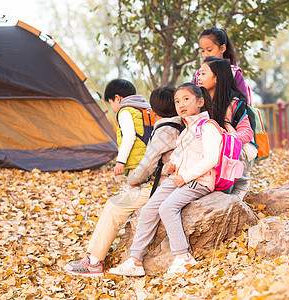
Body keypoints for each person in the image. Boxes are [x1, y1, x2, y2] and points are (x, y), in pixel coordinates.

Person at [63, 85, 183, 277]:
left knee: (114, 206)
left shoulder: (165, 131)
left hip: (159, 186)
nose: (148, 112)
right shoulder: (178, 126)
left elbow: (147, 165)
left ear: (155, 111)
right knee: (119, 201)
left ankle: (93, 262)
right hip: (165, 183)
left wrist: (134, 179)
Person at [108, 83, 222, 276]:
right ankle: (135, 260)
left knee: (167, 208)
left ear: (200, 102)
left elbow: (212, 158)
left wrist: (185, 176)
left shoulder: (208, 127)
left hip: (199, 181)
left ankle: (183, 257)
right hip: (180, 178)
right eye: (177, 101)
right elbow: (180, 154)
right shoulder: (185, 130)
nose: (181, 104)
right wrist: (173, 165)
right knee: (150, 207)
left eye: (186, 99)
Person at [197, 56, 255, 200]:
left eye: (203, 73)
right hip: (207, 153)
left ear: (216, 78)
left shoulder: (234, 104)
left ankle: (241, 185)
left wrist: (227, 137)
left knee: (236, 150)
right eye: (199, 73)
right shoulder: (198, 102)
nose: (198, 77)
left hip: (227, 151)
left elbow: (247, 133)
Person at [104, 79, 151, 176]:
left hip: (137, 164)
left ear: (117, 98)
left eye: (110, 103)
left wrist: (120, 161)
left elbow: (129, 136)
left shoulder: (125, 112)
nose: (112, 108)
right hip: (151, 160)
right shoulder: (144, 109)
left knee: (135, 190)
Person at [194, 27, 252, 105]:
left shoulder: (233, 73)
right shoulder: (199, 75)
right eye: (202, 51)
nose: (205, 54)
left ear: (222, 48)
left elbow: (244, 101)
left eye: (209, 50)